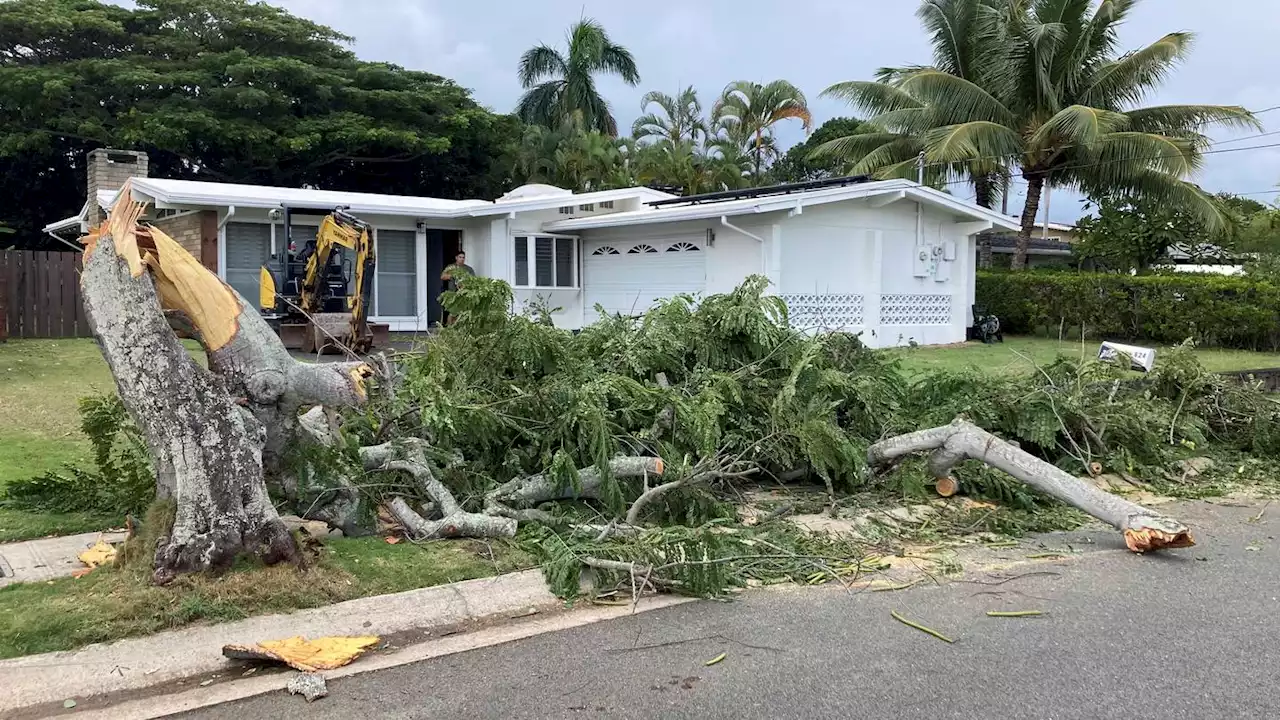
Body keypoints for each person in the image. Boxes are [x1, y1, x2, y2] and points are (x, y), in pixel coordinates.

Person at [440, 250, 474, 326]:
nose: (462, 259)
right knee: (452, 312)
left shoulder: (468, 269)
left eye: (463, 257)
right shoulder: (451, 267)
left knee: (462, 313)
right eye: (460, 257)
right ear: (456, 258)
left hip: (463, 294)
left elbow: (473, 280)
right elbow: (442, 276)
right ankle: (449, 328)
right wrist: (453, 275)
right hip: (452, 293)